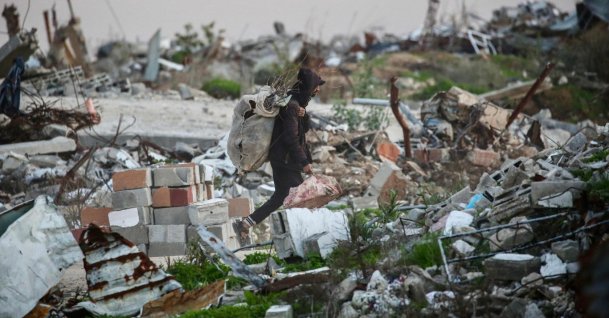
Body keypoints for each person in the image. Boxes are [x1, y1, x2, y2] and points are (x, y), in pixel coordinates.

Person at [234, 68, 325, 243]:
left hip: (282, 160)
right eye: (316, 86)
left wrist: (304, 116)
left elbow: (303, 130)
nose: (318, 90)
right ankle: (304, 237)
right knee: (301, 198)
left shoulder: (295, 104)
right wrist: (304, 162)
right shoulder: (291, 106)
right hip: (285, 161)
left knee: (280, 196)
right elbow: (291, 138)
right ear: (308, 86)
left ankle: (245, 224)